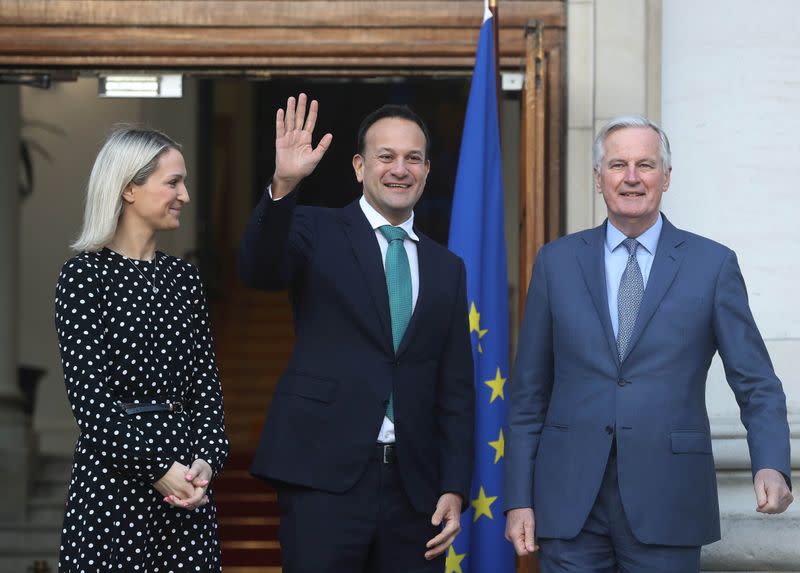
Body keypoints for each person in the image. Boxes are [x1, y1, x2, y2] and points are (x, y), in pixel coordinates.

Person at [504, 116, 793, 572]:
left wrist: (771, 463)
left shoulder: (712, 265)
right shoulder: (556, 262)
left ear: (667, 177)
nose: (632, 177)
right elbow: (528, 394)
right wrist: (518, 497)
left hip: (669, 499)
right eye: (618, 165)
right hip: (570, 501)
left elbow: (756, 381)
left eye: (646, 164)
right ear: (599, 179)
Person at [239, 93, 475, 573]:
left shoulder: (446, 267)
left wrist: (454, 485)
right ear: (358, 166)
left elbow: (455, 386)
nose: (399, 169)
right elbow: (259, 269)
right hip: (322, 478)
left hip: (416, 492)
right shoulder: (314, 229)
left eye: (413, 158)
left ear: (428, 170)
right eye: (385, 156)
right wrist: (284, 183)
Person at [55, 127, 230, 572]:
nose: (184, 195)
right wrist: (157, 468)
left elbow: (206, 390)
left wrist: (206, 461)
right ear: (129, 187)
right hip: (112, 485)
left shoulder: (185, 279)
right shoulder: (84, 276)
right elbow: (90, 403)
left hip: (187, 490)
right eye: (173, 182)